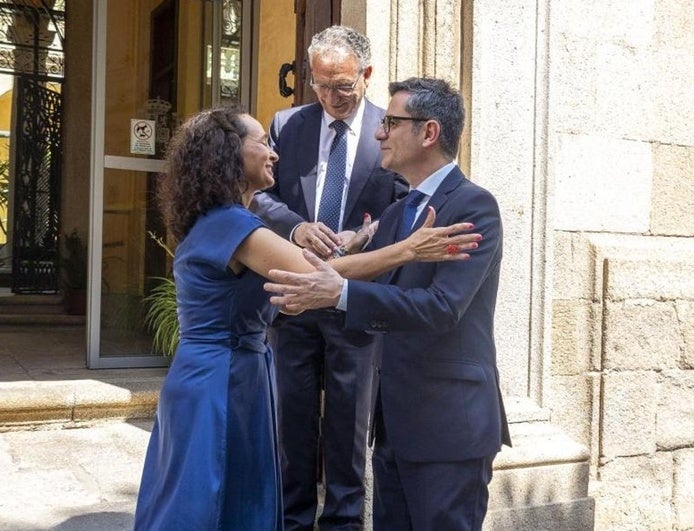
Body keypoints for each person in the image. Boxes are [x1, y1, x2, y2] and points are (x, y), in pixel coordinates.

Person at [133, 105, 479, 531]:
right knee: (208, 501)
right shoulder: (232, 225)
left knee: (224, 496)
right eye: (261, 142)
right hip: (218, 382)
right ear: (228, 155)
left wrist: (354, 245)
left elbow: (282, 286)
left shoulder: (227, 221)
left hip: (232, 373)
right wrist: (409, 249)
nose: (273, 152)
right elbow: (319, 274)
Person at [264, 78, 512, 531]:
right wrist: (326, 273)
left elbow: (441, 308)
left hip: (449, 428)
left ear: (429, 132)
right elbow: (370, 271)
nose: (378, 132)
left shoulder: (475, 206)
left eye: (391, 123)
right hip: (395, 426)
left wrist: (338, 293)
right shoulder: (400, 213)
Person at [251, 25, 406, 531]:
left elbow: (409, 207)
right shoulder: (288, 124)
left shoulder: (394, 128)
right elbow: (258, 196)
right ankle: (292, 522)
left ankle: (342, 523)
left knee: (347, 431)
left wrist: (366, 236)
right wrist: (295, 228)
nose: (331, 98)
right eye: (320, 86)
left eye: (342, 86)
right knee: (292, 428)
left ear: (367, 74)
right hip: (293, 302)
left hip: (355, 302)